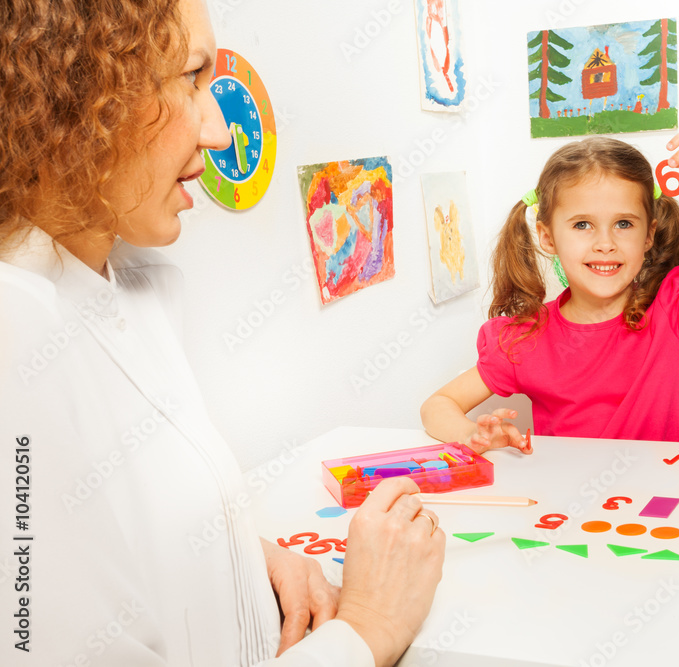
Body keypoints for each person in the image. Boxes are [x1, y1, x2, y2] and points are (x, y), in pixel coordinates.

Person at [0, 1, 443, 666]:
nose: (215, 129)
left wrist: (236, 553)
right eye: (189, 78)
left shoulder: (127, 289)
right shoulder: (18, 341)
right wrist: (370, 626)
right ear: (80, 99)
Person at [421, 132, 679, 453]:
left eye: (624, 224)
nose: (605, 244)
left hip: (663, 504)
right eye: (582, 224)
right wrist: (471, 435)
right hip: (567, 507)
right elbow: (437, 407)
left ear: (648, 236)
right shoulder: (523, 338)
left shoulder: (670, 308)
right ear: (547, 237)